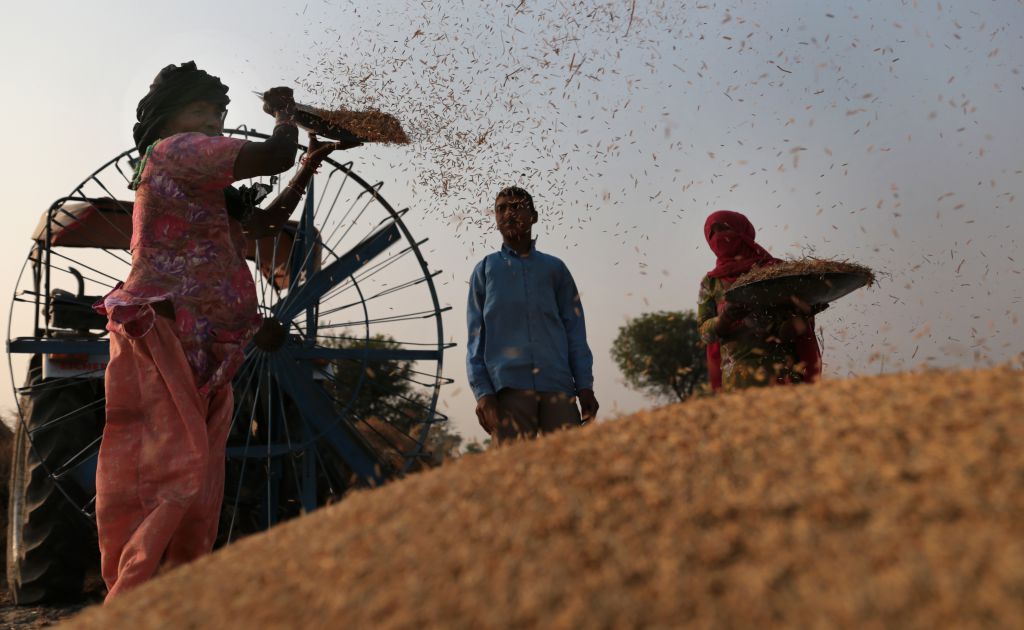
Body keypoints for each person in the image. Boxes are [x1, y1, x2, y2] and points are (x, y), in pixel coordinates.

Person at [92, 61, 355, 599]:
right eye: (200, 111)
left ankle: (175, 599)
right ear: (167, 120)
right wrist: (286, 116)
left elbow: (258, 226)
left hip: (209, 354)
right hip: (161, 338)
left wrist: (306, 165)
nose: (212, 123)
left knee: (201, 489)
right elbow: (272, 155)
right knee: (171, 476)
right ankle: (131, 603)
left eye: (218, 114)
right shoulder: (172, 152)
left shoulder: (202, 188)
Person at [466, 186, 598, 443]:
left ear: (534, 216)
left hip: (558, 387)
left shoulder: (555, 269)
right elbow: (475, 341)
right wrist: (483, 393)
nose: (508, 213)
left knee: (571, 469)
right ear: (495, 220)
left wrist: (584, 387)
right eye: (501, 208)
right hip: (507, 390)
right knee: (512, 475)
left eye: (516, 207)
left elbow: (575, 332)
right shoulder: (484, 271)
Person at [696, 210, 822, 392]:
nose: (719, 236)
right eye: (712, 233)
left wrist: (804, 314)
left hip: (783, 378)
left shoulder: (776, 272)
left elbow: (787, 331)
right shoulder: (711, 283)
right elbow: (705, 334)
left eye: (724, 228)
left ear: (743, 231)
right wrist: (725, 319)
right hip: (738, 385)